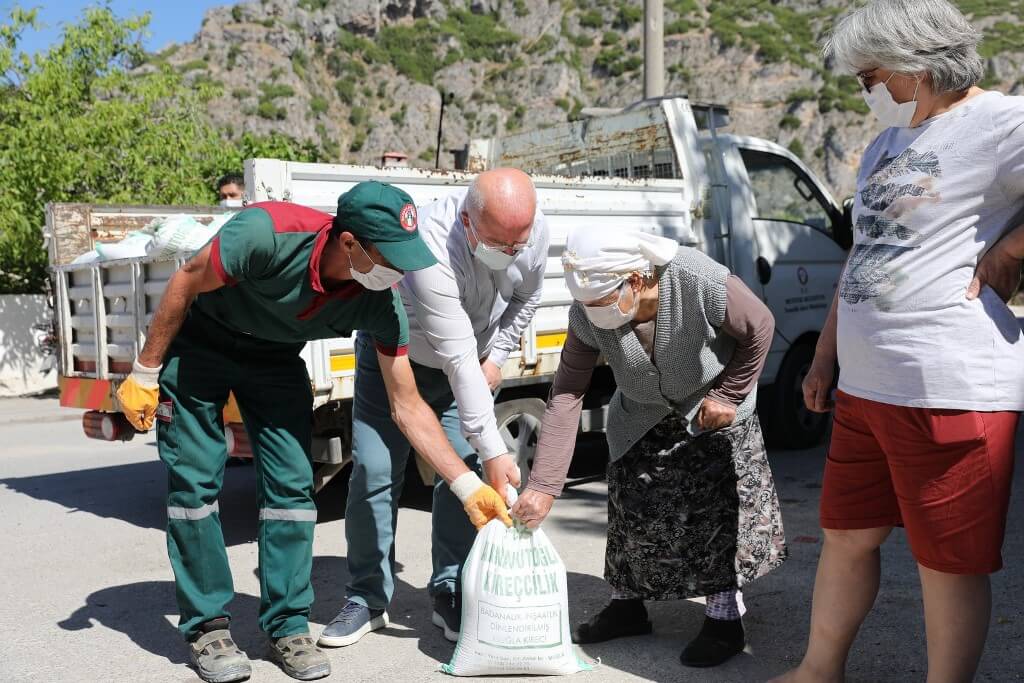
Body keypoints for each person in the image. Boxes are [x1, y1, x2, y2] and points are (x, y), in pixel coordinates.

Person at [114, 182, 512, 683]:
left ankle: (287, 624)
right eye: (392, 257)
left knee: (292, 490)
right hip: (200, 346)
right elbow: (185, 281)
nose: (402, 272)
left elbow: (406, 404)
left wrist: (465, 485)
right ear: (349, 245)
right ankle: (207, 627)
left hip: (275, 359)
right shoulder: (266, 233)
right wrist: (146, 371)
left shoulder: (378, 305)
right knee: (194, 488)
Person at [770, 2, 1024, 682]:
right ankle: (818, 670)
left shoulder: (1002, 123)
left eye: (869, 75)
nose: (865, 90)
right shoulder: (887, 143)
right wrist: (825, 356)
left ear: (916, 64)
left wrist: (1010, 251)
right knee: (847, 536)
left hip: (950, 384)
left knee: (948, 560)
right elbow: (863, 258)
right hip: (863, 386)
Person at [511, 227, 786, 668]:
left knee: (716, 517)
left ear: (636, 281)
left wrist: (729, 395)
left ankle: (724, 620)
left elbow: (760, 327)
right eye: (587, 305)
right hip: (639, 417)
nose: (593, 314)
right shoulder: (587, 315)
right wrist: (544, 485)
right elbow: (566, 393)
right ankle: (627, 607)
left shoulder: (697, 279)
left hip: (713, 409)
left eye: (602, 303)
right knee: (631, 515)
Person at [318, 169, 550, 647]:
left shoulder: (531, 231)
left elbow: (527, 299)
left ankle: (450, 588)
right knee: (375, 472)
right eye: (498, 243)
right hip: (397, 357)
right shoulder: (430, 243)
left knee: (460, 475)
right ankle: (367, 597)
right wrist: (495, 450)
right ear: (468, 222)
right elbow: (456, 355)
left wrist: (500, 357)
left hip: (471, 362)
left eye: (518, 243)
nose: (511, 252)